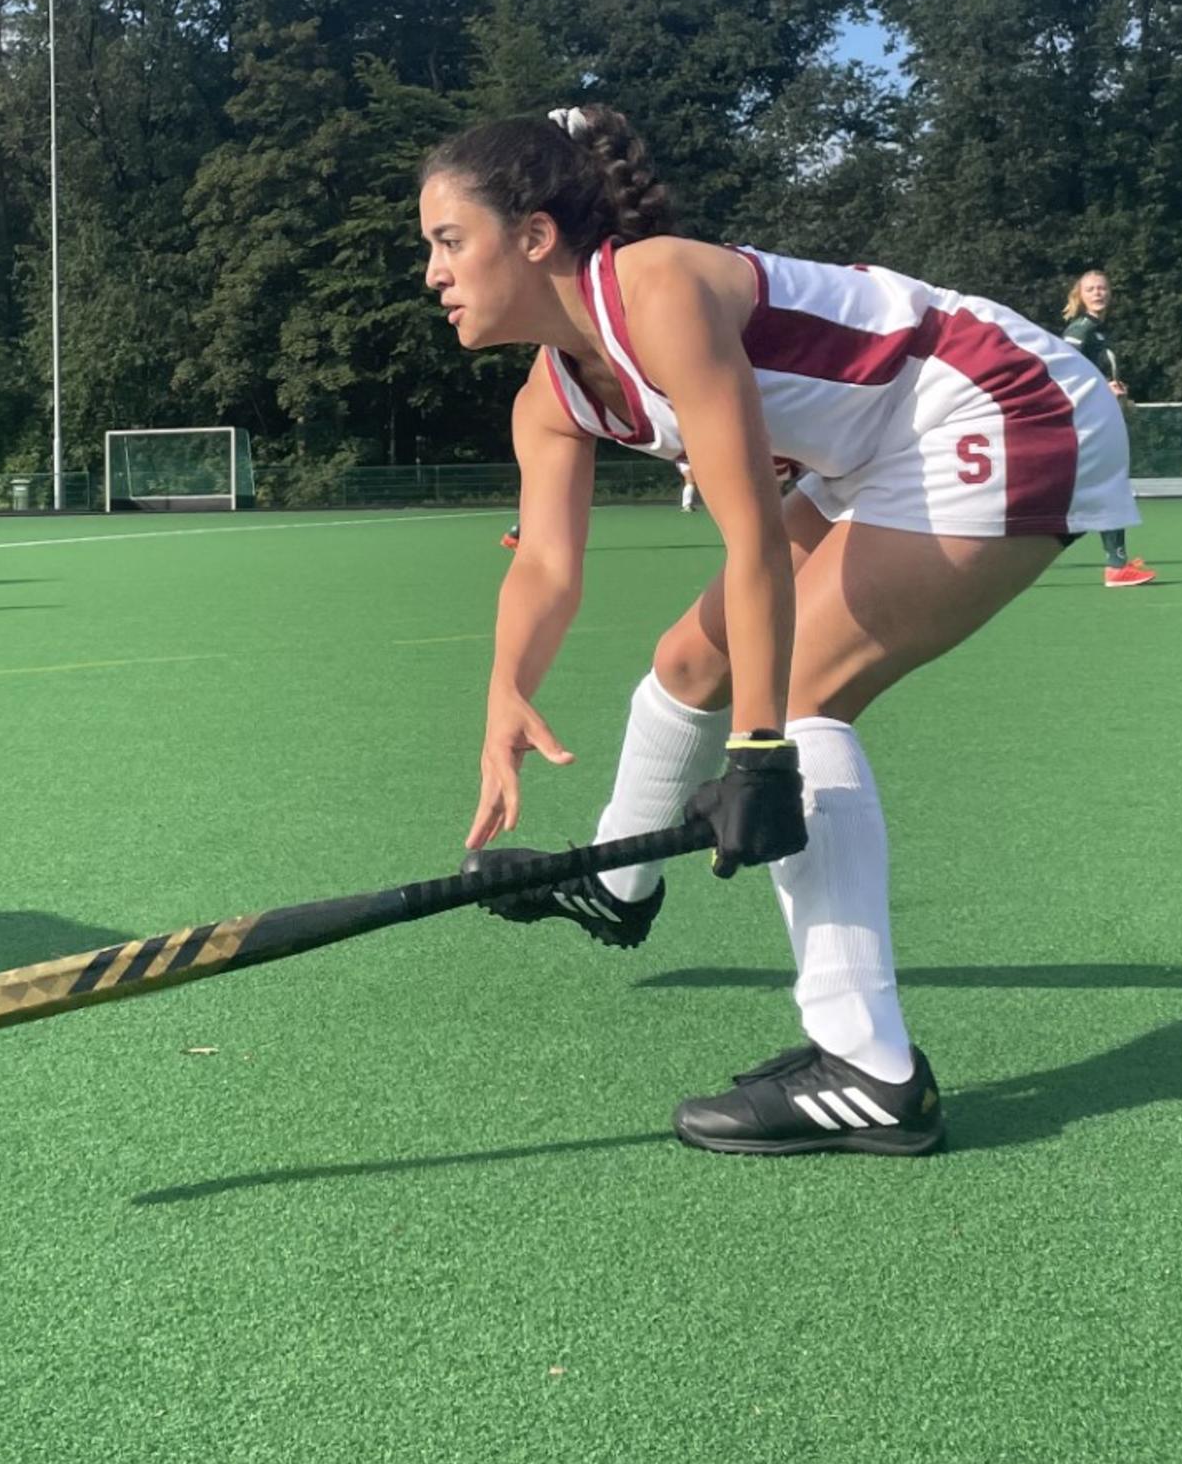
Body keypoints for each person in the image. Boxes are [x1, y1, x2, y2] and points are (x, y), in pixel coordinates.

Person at [422, 105, 1133, 1160]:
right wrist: (503, 694)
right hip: (877, 448)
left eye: (448, 240)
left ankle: (870, 1067)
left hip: (999, 405)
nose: (432, 272)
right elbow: (544, 563)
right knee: (684, 662)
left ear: (533, 236)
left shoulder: (657, 289)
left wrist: (760, 751)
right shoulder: (550, 395)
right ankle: (620, 880)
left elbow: (753, 538)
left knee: (803, 699)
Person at [1059, 270, 1155, 588]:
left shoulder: (1100, 331)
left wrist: (1112, 388)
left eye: (1102, 288)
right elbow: (1061, 369)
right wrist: (1102, 387)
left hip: (1098, 416)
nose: (1098, 293)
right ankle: (1116, 566)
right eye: (1091, 289)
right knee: (1107, 486)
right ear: (1080, 294)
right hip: (1085, 420)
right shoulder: (1081, 328)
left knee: (1099, 488)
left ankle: (1117, 562)